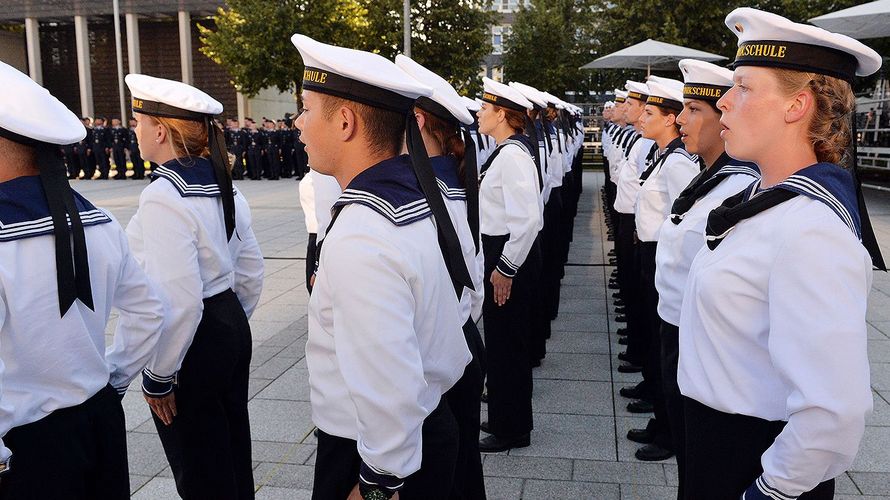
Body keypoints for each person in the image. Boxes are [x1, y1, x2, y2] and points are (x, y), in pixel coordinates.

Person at [679, 8, 883, 499]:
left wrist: (773, 489)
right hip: (712, 444)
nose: (724, 103)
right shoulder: (762, 202)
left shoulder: (810, 230)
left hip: (752, 463)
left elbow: (833, 409)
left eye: (744, 87)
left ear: (797, 106)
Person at [293, 33, 474, 500]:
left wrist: (377, 484)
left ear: (346, 122)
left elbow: (387, 385)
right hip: (428, 425)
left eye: (307, 109)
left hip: (375, 456)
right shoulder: (415, 199)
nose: (298, 122)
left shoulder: (362, 231)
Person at [0, 60, 164, 499]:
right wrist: (113, 379)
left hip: (23, 445)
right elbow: (150, 311)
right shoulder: (101, 221)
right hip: (97, 422)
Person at [125, 73, 264, 500]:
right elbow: (252, 273)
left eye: (138, 122)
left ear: (161, 130)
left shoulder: (165, 194)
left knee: (201, 469)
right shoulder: (225, 186)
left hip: (196, 338)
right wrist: (229, 322)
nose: (135, 130)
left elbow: (180, 302)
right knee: (233, 452)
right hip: (227, 323)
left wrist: (159, 375)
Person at [653, 58, 759, 498]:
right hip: (677, 329)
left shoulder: (738, 188)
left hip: (700, 343)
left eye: (695, 110)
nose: (681, 119)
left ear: (723, 120)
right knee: (689, 462)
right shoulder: (707, 179)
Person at [396, 53, 487, 500]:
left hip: (442, 352)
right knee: (464, 467)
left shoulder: (423, 194)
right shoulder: (451, 181)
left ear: (413, 119)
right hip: (464, 338)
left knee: (442, 472)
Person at [629, 77, 700, 463]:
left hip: (664, 253)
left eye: (650, 113)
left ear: (671, 119)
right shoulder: (663, 155)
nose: (641, 117)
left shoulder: (677, 162)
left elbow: (686, 216)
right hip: (652, 252)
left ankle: (669, 432)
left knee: (667, 348)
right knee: (658, 343)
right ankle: (661, 420)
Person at [476, 77, 543, 453]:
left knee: (508, 343)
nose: (480, 114)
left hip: (510, 253)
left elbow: (527, 220)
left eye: (486, 109)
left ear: (502, 114)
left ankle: (513, 428)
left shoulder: (513, 155)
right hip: (505, 250)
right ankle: (505, 415)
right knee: (501, 342)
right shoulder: (505, 151)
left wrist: (505, 269)